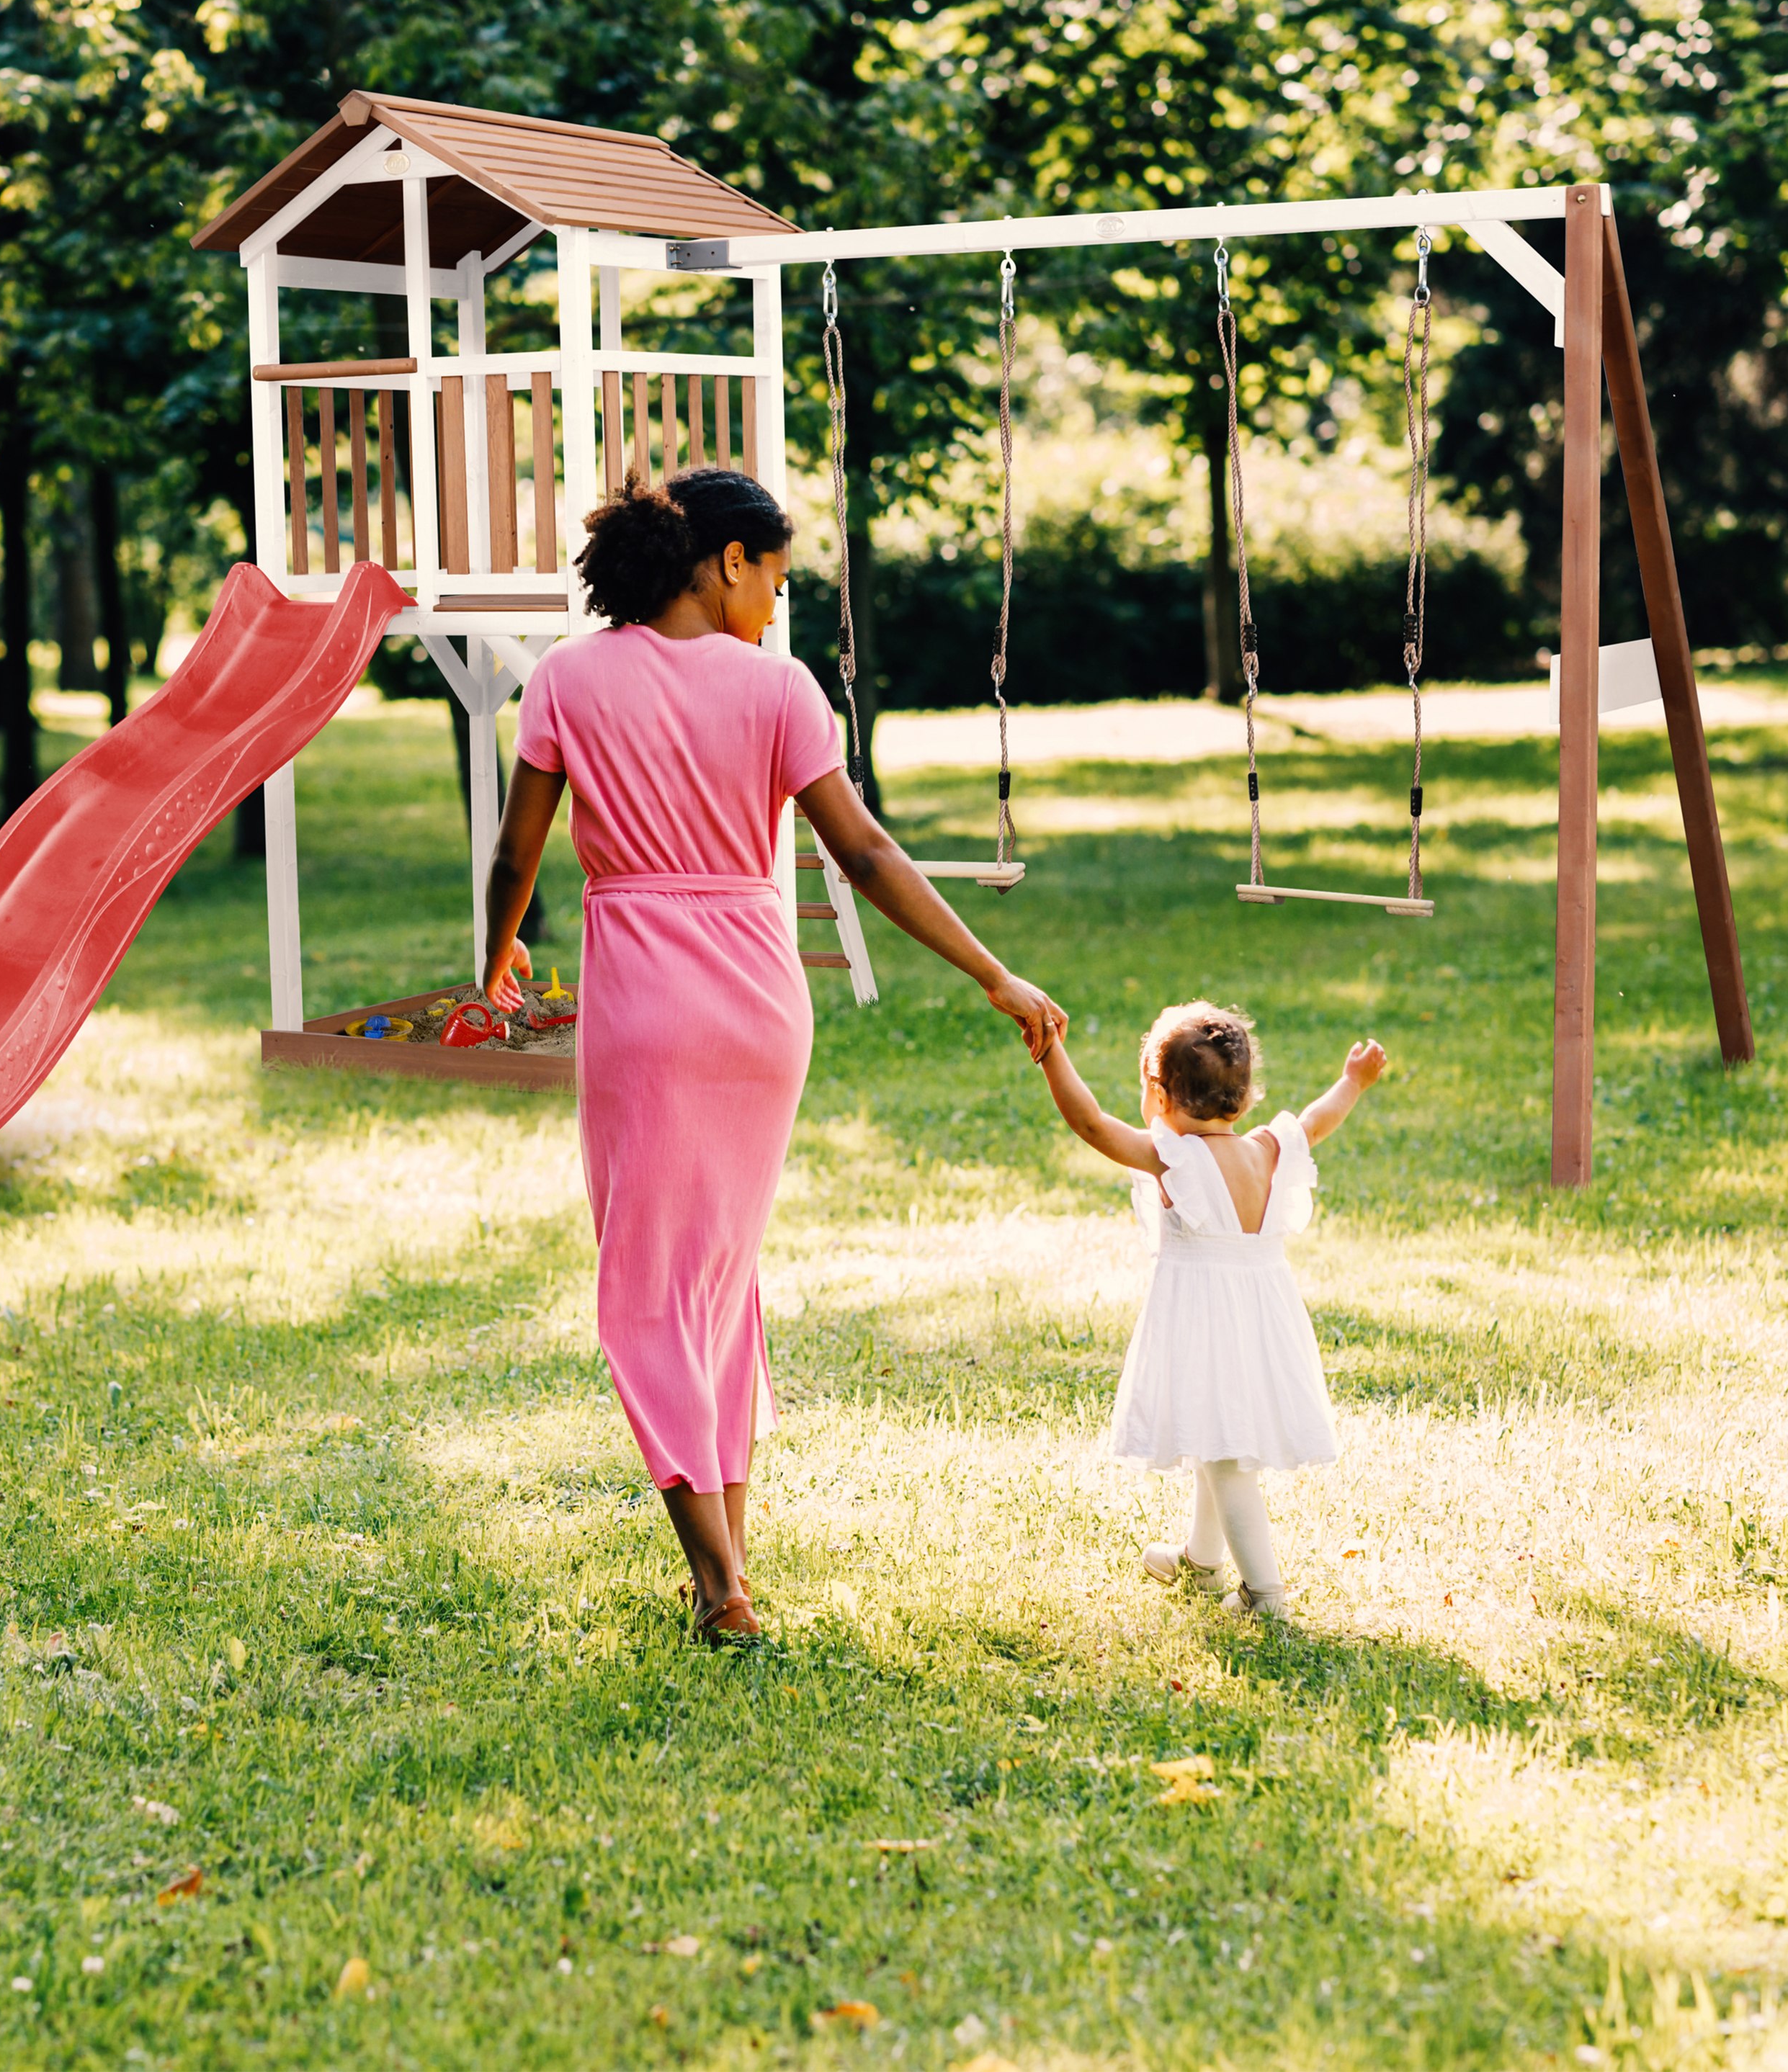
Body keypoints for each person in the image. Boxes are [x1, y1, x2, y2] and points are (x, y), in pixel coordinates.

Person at [480, 469, 1067, 1645]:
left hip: (644, 1006)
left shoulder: (567, 678)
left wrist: (492, 964)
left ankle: (717, 1586)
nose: (776, 606)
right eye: (776, 580)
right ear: (726, 561)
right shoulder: (781, 690)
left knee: (650, 1292)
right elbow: (866, 854)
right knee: (717, 1282)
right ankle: (729, 1563)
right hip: (759, 1007)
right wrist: (990, 971)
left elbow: (517, 855)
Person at [1034, 1002, 1388, 1620]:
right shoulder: (1269, 1149)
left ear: (1159, 1095)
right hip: (1261, 1321)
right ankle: (1201, 1563)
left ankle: (1264, 1595)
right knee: (1212, 1435)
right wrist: (1353, 1081)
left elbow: (1090, 1124)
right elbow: (1317, 1119)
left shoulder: (1174, 1159)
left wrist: (1050, 1051)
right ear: (1245, 1098)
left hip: (1206, 1324)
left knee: (1225, 1459)